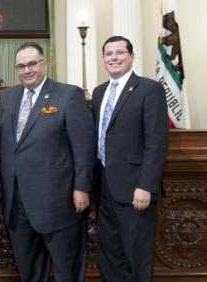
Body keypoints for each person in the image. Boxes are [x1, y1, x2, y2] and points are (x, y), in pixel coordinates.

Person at [0, 42, 94, 282]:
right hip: (16, 202)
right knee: (27, 269)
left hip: (57, 201)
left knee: (66, 269)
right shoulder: (7, 97)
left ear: (44, 63)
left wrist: (82, 187)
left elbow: (83, 146)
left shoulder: (68, 94)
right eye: (21, 66)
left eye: (31, 64)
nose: (26, 70)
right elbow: (0, 144)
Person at [92, 35, 169, 282]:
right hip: (103, 189)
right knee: (109, 254)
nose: (113, 57)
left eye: (120, 53)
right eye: (108, 53)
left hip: (136, 190)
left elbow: (156, 143)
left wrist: (145, 185)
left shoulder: (150, 89)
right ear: (103, 58)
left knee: (136, 256)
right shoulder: (99, 92)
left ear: (131, 56)